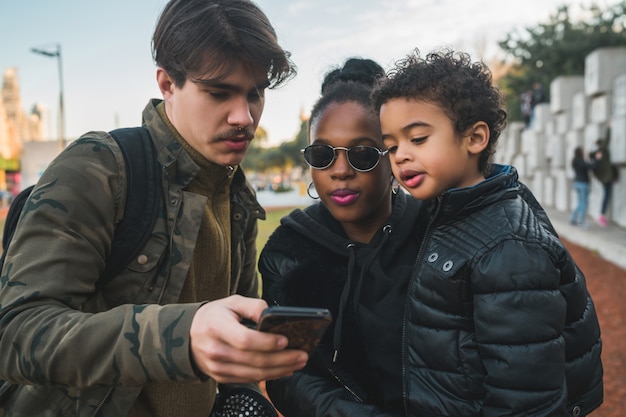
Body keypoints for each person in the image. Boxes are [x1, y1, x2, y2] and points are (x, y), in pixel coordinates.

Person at [0, 1, 308, 416]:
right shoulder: (99, 168)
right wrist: (181, 336)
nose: (244, 116)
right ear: (167, 84)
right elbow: (17, 332)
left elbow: (234, 334)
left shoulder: (235, 189)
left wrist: (246, 390)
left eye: (255, 93)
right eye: (219, 92)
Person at [372, 49, 603, 417]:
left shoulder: (508, 248)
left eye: (417, 139)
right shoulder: (441, 211)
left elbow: (528, 399)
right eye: (391, 146)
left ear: (475, 138)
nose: (399, 156)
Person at [259, 58, 423, 416]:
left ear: (391, 155)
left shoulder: (435, 232)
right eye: (322, 155)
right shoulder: (287, 252)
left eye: (362, 154)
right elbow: (288, 373)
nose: (341, 171)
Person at [589, 130, 617, 227]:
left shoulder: (595, 156)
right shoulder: (602, 151)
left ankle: (602, 216)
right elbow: (607, 140)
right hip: (607, 178)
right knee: (606, 196)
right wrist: (609, 128)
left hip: (604, 179)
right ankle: (601, 216)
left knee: (606, 195)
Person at [570, 146, 595, 227]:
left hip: (577, 183)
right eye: (583, 151)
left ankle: (573, 219)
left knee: (580, 203)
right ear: (580, 153)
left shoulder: (575, 161)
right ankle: (581, 221)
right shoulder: (581, 161)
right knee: (583, 203)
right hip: (583, 184)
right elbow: (590, 167)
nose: (584, 152)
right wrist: (598, 160)